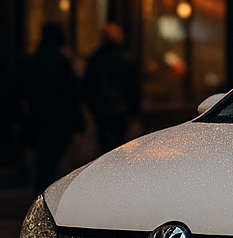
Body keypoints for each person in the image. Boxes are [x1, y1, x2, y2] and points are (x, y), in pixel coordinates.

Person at [18, 22, 84, 191]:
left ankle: (42, 194)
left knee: (43, 164)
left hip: (38, 119)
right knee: (52, 164)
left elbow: (21, 90)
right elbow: (72, 94)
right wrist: (77, 122)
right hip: (59, 121)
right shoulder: (63, 63)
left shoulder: (32, 61)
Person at [82, 22, 141, 155]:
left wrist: (93, 105)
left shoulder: (96, 58)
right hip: (121, 109)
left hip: (102, 109)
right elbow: (133, 87)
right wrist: (134, 110)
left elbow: (88, 85)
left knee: (105, 146)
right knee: (120, 146)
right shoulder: (126, 58)